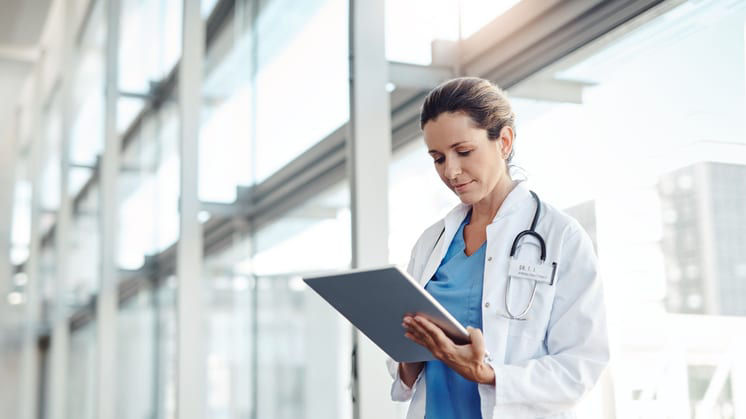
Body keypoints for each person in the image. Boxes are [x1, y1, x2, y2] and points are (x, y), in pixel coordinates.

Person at [386, 77, 609, 419]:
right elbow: (404, 371)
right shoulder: (432, 242)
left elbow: (580, 367)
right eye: (438, 158)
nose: (451, 171)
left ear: (504, 141)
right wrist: (411, 357)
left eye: (463, 151)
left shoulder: (560, 236)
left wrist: (489, 376)